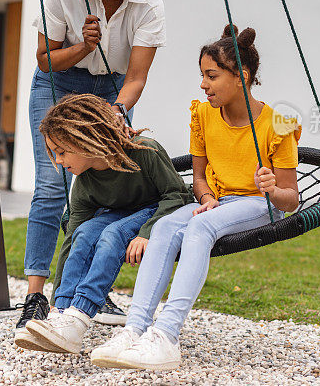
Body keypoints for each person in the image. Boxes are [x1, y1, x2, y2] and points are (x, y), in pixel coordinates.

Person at [91, 25, 302, 370]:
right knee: (162, 228)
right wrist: (204, 196)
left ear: (241, 77)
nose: (203, 84)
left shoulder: (277, 124)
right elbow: (200, 175)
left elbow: (290, 200)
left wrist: (271, 187)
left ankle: (166, 337)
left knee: (199, 229)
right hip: (216, 203)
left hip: (259, 204)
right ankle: (134, 330)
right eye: (202, 75)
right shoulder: (203, 115)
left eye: (211, 75)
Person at [17, 0, 166, 334]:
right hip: (59, 84)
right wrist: (83, 46)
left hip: (112, 93)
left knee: (107, 188)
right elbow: (45, 61)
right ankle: (35, 296)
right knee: (52, 186)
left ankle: (89, 293)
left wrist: (116, 113)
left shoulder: (150, 5)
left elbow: (136, 77)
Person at [15, 94, 192, 352]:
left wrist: (146, 233)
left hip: (156, 211)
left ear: (85, 142)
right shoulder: (84, 181)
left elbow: (177, 195)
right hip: (121, 214)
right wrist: (55, 302)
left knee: (112, 234)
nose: (59, 161)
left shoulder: (145, 151)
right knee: (85, 233)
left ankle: (78, 319)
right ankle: (60, 316)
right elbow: (71, 240)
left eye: (62, 152)